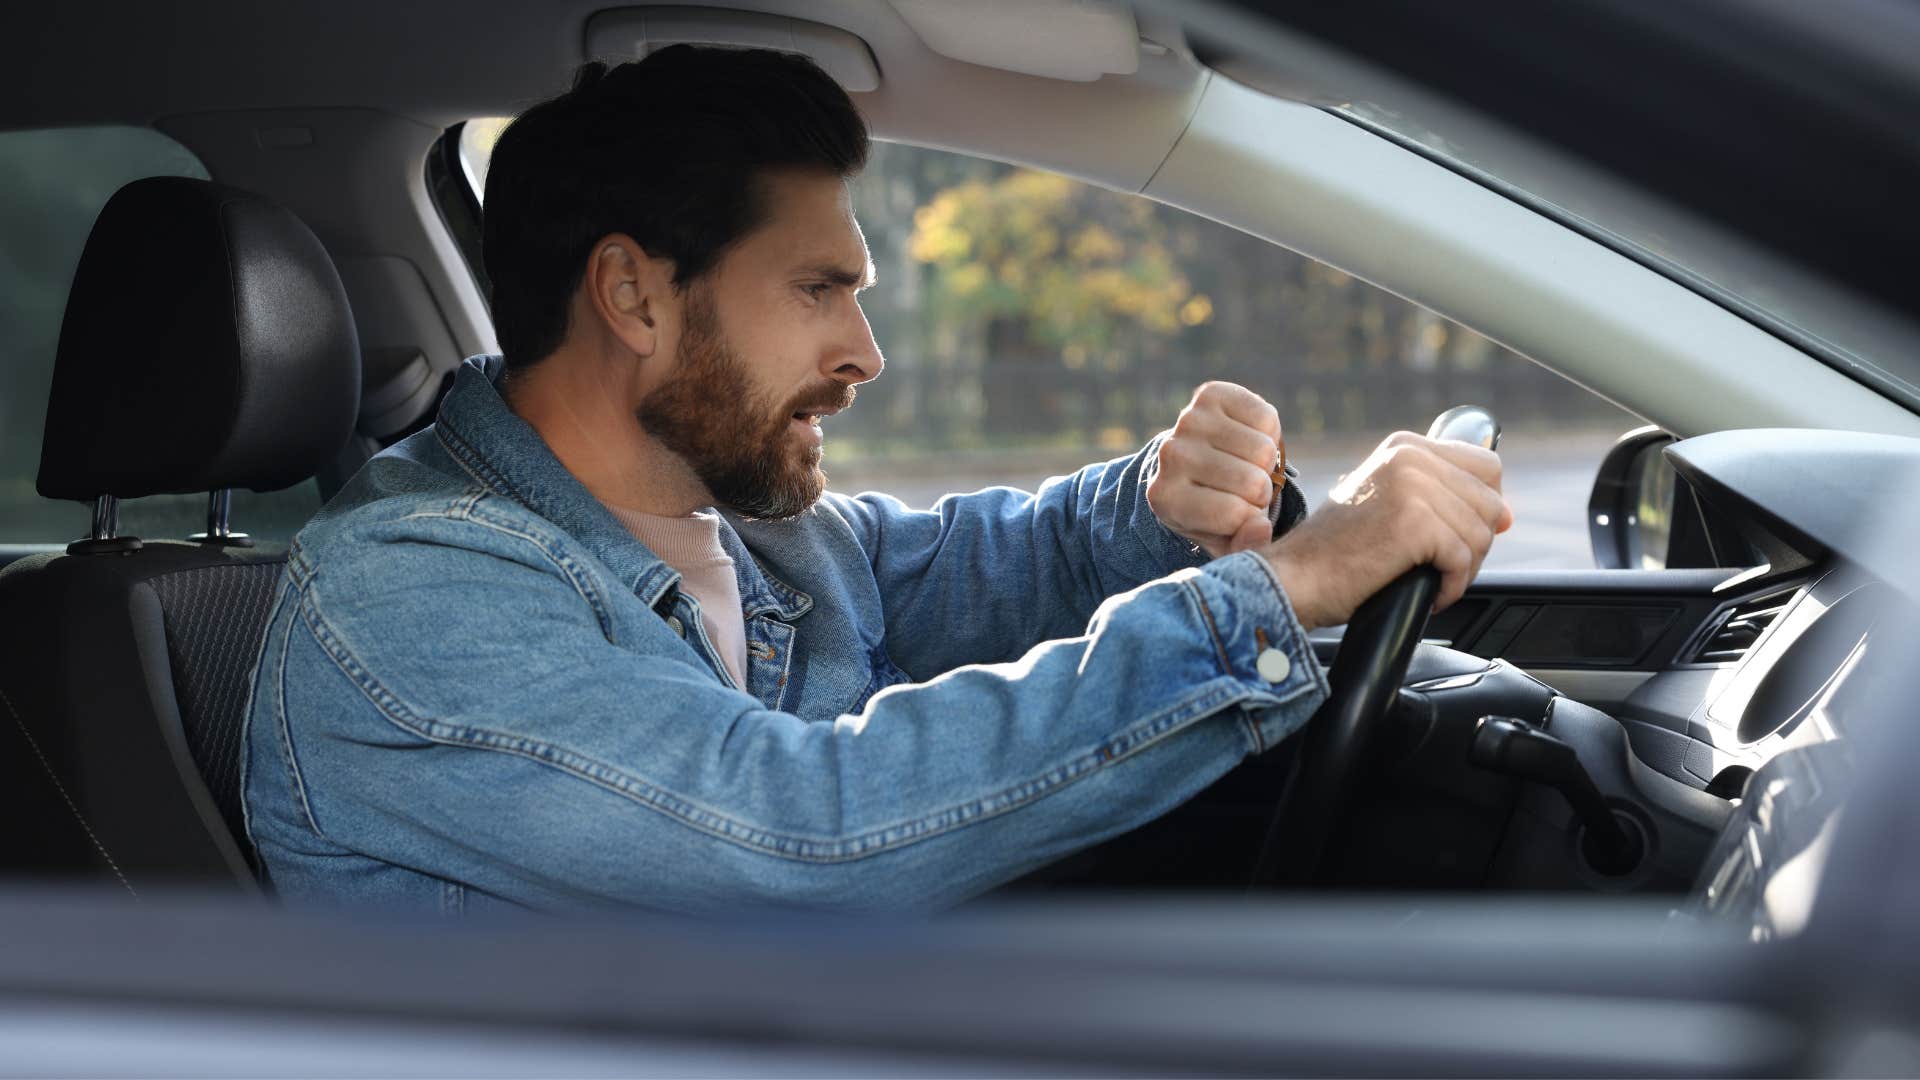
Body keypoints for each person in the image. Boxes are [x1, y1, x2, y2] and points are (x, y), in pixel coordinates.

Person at [241, 46, 1509, 913]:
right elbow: (801, 837)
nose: (865, 353)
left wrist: (1158, 506)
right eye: (816, 291)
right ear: (631, 294)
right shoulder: (412, 592)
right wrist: (1286, 592)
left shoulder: (729, 523)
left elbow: (971, 566)